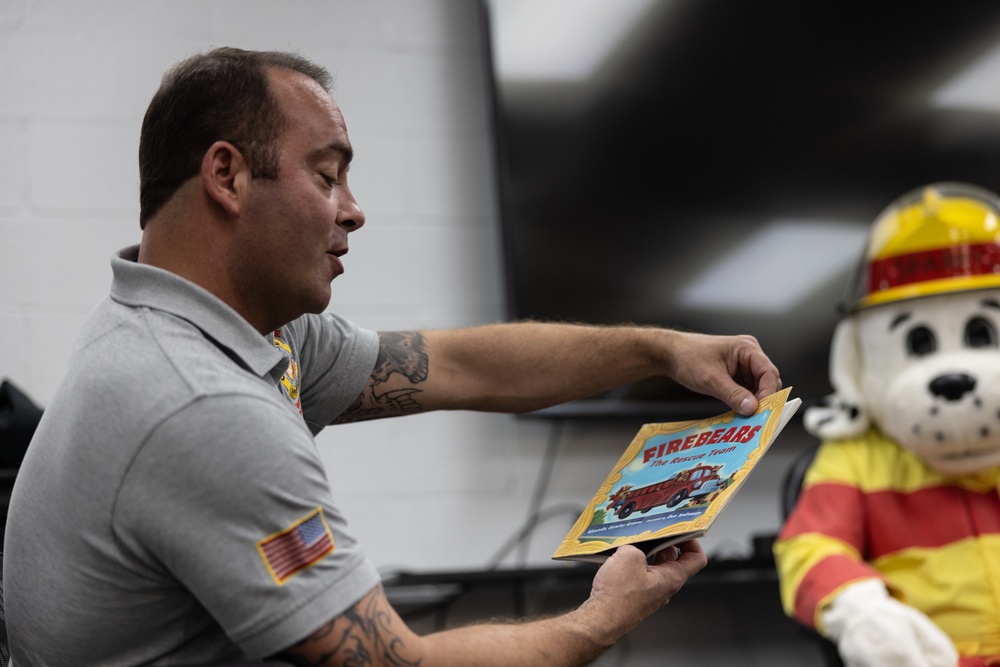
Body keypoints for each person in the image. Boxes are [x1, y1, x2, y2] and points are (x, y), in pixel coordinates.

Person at [2, 47, 782, 667]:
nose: (355, 209)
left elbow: (465, 366)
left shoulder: (214, 327)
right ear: (228, 175)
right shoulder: (203, 404)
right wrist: (604, 617)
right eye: (328, 174)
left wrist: (659, 349)